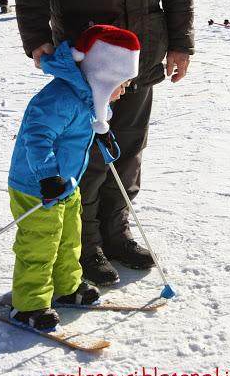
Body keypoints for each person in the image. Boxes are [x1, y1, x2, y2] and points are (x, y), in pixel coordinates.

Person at [15, 0, 195, 286]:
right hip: (89, 52)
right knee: (87, 159)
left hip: (141, 53)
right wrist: (37, 36)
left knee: (127, 152)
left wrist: (181, 43)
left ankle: (116, 234)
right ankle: (83, 244)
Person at [8, 25, 141, 330]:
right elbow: (37, 137)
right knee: (39, 245)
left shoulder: (87, 97)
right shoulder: (60, 98)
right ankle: (28, 304)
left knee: (69, 240)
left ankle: (66, 287)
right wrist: (47, 176)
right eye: (122, 84)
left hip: (67, 186)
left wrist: (104, 139)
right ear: (103, 76)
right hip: (37, 187)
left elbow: (83, 132)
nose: (122, 92)